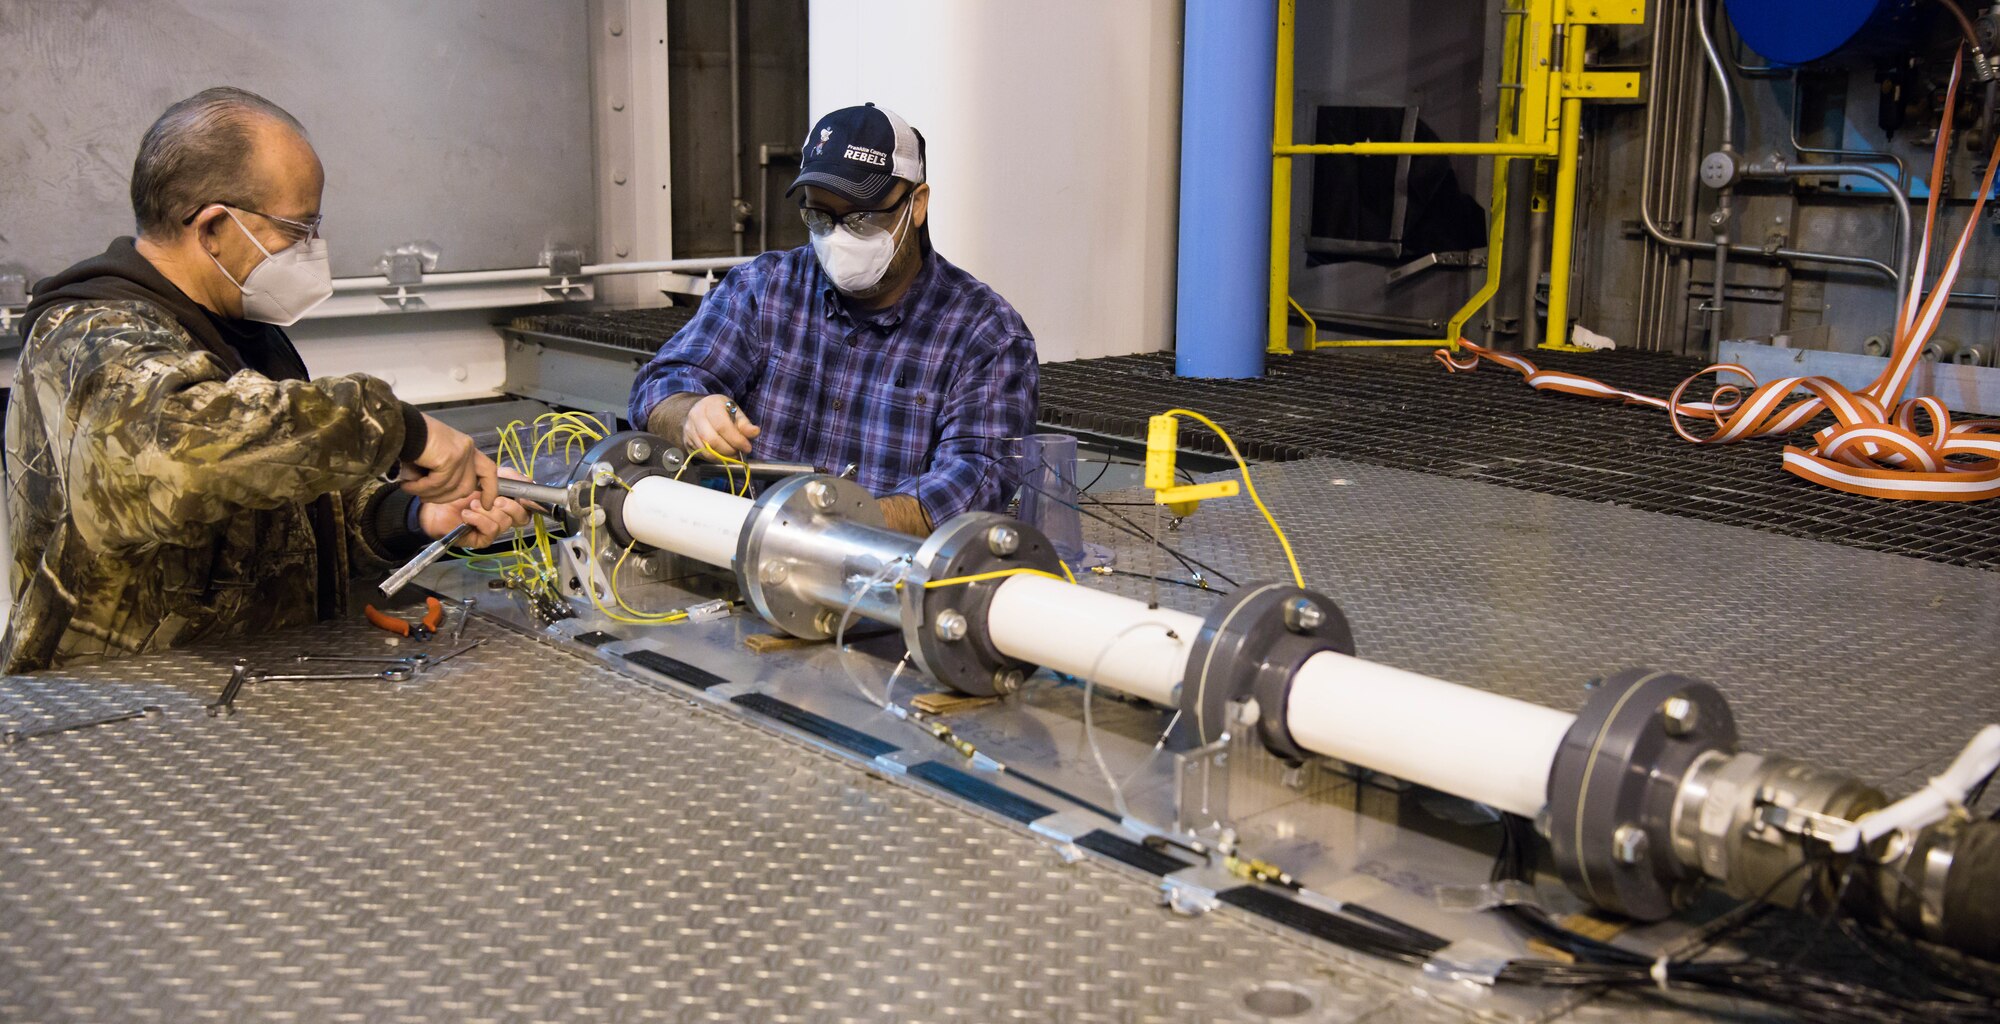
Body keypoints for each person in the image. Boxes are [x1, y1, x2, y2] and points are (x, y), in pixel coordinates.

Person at [2, 87, 529, 673]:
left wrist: (413, 516)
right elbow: (177, 461)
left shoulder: (238, 330)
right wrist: (395, 425)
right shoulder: (87, 334)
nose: (312, 249)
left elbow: (279, 508)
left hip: (245, 696)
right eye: (297, 228)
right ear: (211, 228)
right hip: (119, 715)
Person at [628, 103, 1038, 536]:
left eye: (861, 218)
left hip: (881, 581)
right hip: (741, 558)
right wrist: (691, 412)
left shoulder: (986, 336)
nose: (838, 238)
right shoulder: (764, 289)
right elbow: (660, 384)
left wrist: (837, 527)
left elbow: (976, 480)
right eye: (820, 216)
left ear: (916, 206)